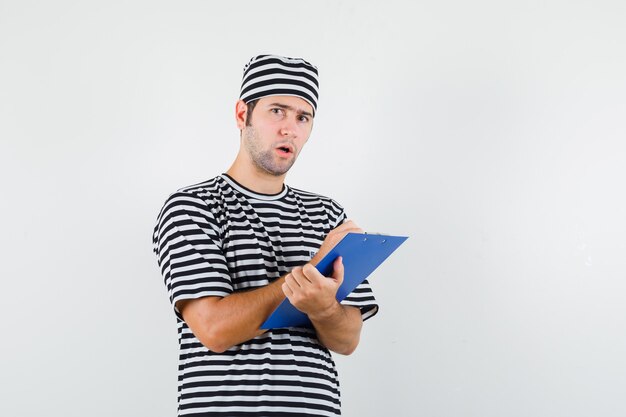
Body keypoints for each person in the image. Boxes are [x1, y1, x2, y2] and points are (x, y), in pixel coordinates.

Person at [152, 54, 378, 416]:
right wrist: (313, 270)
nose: (290, 128)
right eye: (277, 111)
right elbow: (214, 329)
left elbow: (347, 339)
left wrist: (324, 309)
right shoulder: (192, 206)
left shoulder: (327, 214)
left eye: (303, 117)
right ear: (243, 114)